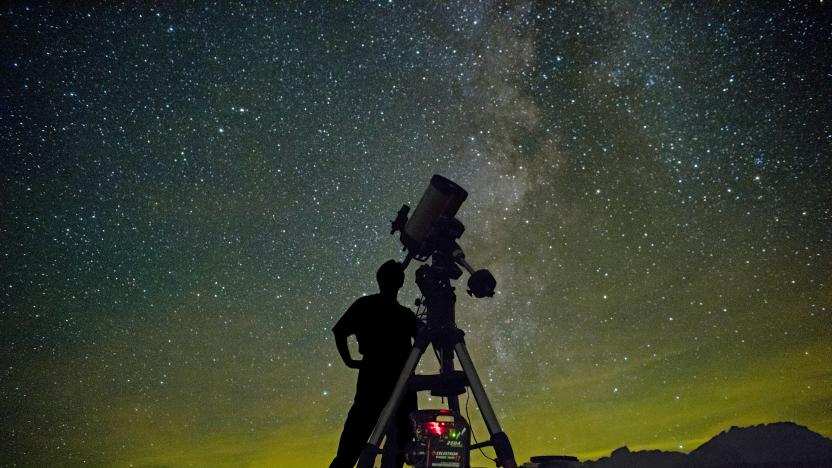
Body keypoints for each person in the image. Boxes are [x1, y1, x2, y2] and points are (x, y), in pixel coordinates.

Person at [329, 260, 419, 468]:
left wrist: (350, 361)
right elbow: (340, 331)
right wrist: (349, 361)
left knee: (355, 438)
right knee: (397, 440)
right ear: (401, 282)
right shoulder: (405, 315)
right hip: (399, 379)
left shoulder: (366, 304)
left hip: (376, 375)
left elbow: (340, 331)